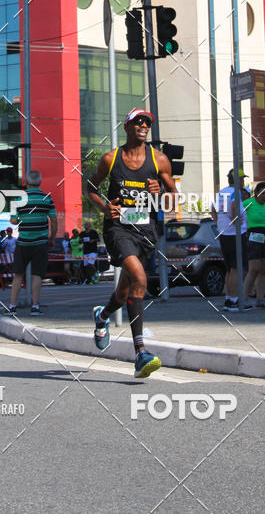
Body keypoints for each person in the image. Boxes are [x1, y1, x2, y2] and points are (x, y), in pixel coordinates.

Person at [87, 109, 177, 379]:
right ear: (126, 126)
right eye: (138, 121)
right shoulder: (110, 159)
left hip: (146, 232)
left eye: (147, 122)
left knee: (126, 291)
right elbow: (90, 186)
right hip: (118, 229)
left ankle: (102, 316)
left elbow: (173, 199)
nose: (143, 125)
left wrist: (160, 193)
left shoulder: (159, 160)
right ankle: (140, 353)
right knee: (139, 277)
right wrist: (104, 208)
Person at [3, 170, 57, 316]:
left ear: (26, 182)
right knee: (37, 275)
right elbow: (53, 220)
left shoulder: (19, 199)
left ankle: (12, 306)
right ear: (40, 182)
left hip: (23, 242)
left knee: (18, 275)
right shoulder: (47, 198)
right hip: (40, 242)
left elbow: (13, 220)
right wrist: (51, 238)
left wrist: (24, 218)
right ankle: (35, 307)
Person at [210, 169, 250, 312]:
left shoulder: (221, 192)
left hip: (224, 234)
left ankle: (229, 298)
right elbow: (233, 207)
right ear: (237, 180)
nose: (243, 182)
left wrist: (220, 223)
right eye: (242, 179)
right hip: (235, 234)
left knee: (230, 269)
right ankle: (234, 300)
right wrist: (236, 223)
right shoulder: (235, 192)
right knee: (237, 268)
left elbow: (212, 209)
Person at [243, 182, 265, 309]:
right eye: (262, 193)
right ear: (256, 193)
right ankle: (244, 298)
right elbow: (237, 213)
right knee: (254, 268)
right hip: (253, 234)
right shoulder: (248, 203)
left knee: (264, 269)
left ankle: (260, 298)